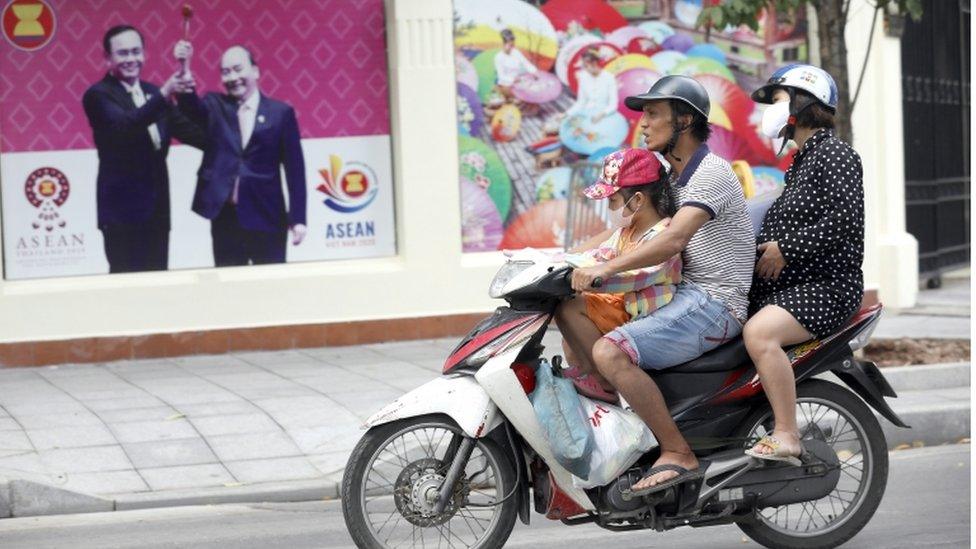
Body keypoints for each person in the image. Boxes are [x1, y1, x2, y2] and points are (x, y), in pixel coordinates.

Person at [571, 76, 755, 495]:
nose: (644, 123)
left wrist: (603, 270)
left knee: (609, 352)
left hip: (715, 303)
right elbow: (622, 230)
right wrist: (563, 261)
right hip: (681, 293)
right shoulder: (673, 178)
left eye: (654, 113)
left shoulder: (711, 173)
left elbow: (672, 240)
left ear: (685, 120)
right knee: (574, 308)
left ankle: (677, 452)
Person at [743, 65, 865, 464]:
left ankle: (787, 433)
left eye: (778, 99)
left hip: (828, 288)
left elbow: (846, 219)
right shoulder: (801, 163)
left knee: (760, 335)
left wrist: (786, 248)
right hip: (794, 288)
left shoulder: (836, 153)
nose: (771, 109)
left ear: (803, 104)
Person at [556, 148, 682, 403]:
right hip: (620, 305)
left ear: (636, 200)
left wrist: (596, 279)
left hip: (640, 314)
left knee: (569, 309)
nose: (610, 207)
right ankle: (589, 377)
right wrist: (555, 263)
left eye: (612, 200)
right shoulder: (627, 230)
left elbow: (640, 275)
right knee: (569, 337)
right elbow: (598, 255)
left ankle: (602, 381)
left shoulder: (663, 235)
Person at [82, 25, 206, 273]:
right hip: (121, 215)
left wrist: (186, 82)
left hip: (157, 211)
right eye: (123, 53)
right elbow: (125, 126)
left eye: (136, 52)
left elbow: (198, 134)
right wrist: (166, 92)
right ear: (108, 58)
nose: (131, 59)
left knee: (158, 288)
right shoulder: (98, 95)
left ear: (145, 54)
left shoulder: (152, 93)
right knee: (127, 292)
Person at [173, 42, 307, 266]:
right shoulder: (215, 106)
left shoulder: (281, 113)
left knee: (270, 288)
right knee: (229, 290)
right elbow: (190, 107)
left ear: (255, 71)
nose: (232, 77)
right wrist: (184, 68)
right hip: (226, 219)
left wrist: (299, 219)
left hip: (268, 216)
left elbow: (295, 170)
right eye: (225, 72)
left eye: (238, 69)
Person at [562, 48, 617, 123]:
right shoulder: (583, 77)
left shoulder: (609, 78)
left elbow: (613, 104)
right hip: (587, 114)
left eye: (586, 66)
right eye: (583, 66)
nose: (584, 69)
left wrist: (602, 114)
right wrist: (566, 114)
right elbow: (581, 102)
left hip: (604, 115)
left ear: (594, 63)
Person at [493, 29, 537, 101]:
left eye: (513, 45)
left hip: (518, 82)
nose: (512, 47)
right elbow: (501, 76)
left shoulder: (516, 52)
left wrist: (534, 71)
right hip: (506, 84)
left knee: (532, 88)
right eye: (510, 45)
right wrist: (513, 80)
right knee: (518, 96)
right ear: (503, 44)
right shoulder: (498, 57)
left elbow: (526, 63)